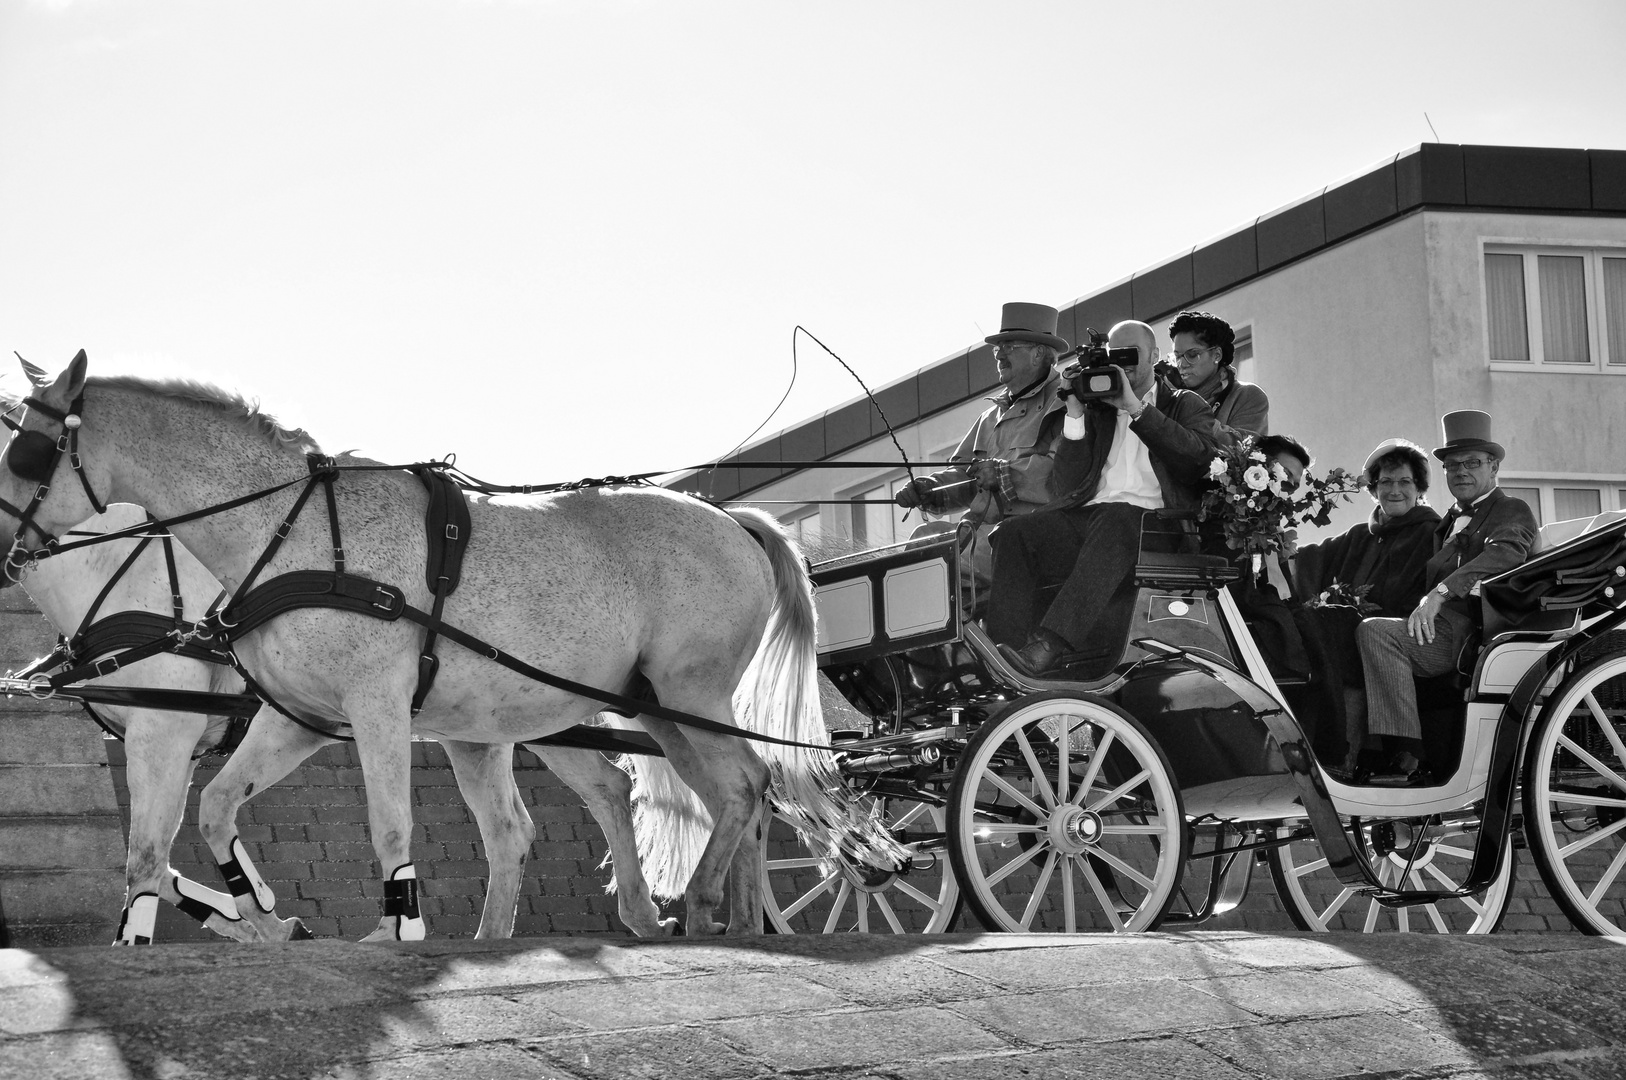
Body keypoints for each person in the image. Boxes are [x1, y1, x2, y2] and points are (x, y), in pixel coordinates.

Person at [986, 319, 1222, 677]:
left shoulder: (1184, 403)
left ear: (1156, 356)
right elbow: (1066, 486)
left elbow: (1197, 462)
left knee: (1119, 517)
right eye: (1116, 356)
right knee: (1013, 532)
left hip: (1158, 527)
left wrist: (1137, 409)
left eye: (1132, 354)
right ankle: (1002, 656)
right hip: (1096, 523)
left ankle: (1050, 643)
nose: (1123, 363)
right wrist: (1075, 414)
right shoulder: (1099, 409)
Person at [1355, 411, 1539, 782]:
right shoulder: (1446, 522)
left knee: (1375, 633)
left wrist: (1439, 593)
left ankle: (1407, 756)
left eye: (1473, 462)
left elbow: (1506, 553)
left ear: (1494, 467)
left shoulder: (1510, 509)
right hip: (1439, 629)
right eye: (1452, 465)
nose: (1461, 471)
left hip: (1477, 632)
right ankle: (1362, 753)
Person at [1291, 439, 1442, 770]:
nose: (1394, 490)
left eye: (1404, 482)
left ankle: (1348, 756)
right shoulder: (1360, 536)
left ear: (1419, 488)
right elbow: (1305, 562)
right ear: (1373, 489)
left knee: (1344, 636)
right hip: (1349, 636)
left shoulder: (1433, 533)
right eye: (1385, 482)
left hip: (1400, 638)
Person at [895, 302, 1069, 585]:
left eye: (1010, 345)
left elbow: (1062, 473)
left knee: (931, 559)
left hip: (1028, 540)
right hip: (980, 534)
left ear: (1038, 353)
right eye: (997, 347)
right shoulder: (990, 417)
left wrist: (1002, 475)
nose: (1000, 354)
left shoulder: (1066, 402)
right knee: (924, 539)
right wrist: (930, 490)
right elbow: (964, 477)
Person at [1166, 310, 1268, 442]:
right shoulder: (1168, 396)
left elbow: (1240, 450)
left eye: (1192, 355)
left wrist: (1186, 405)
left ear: (1217, 355)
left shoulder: (1248, 395)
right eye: (1177, 356)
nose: (1182, 364)